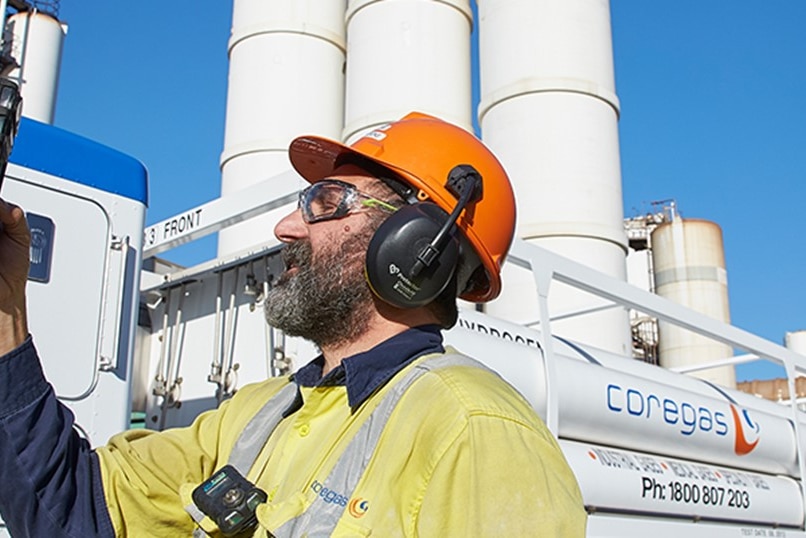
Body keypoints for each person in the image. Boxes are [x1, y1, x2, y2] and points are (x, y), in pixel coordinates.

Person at [0, 112, 586, 536]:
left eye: (325, 203)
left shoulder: (473, 429)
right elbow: (75, 510)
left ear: (416, 247)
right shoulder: (256, 413)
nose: (286, 226)